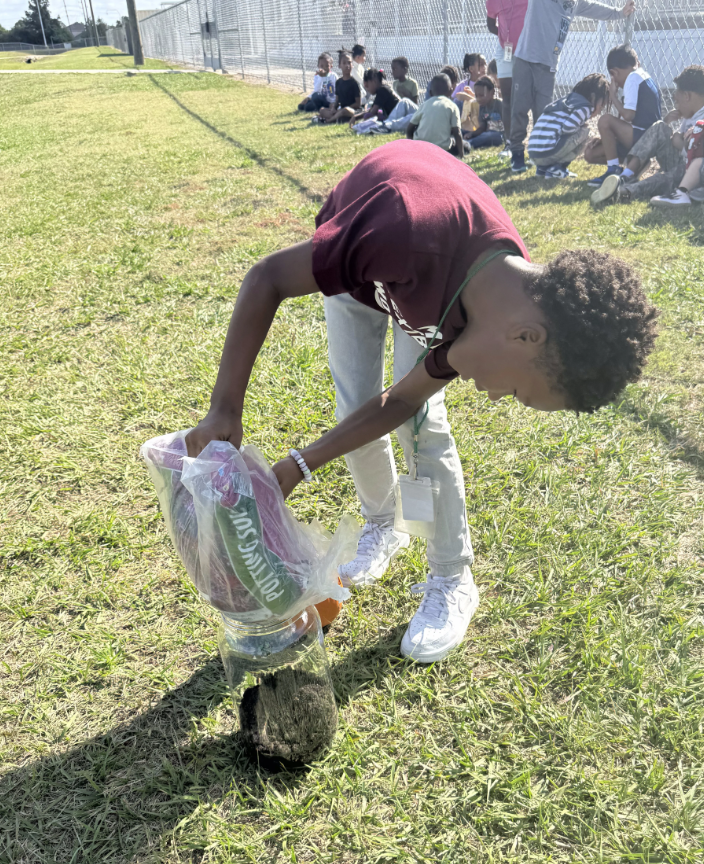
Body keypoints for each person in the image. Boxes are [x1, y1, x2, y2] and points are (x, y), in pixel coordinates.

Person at [185, 139, 658, 664]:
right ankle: (384, 523)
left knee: (423, 425)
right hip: (364, 263)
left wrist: (299, 464)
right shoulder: (408, 231)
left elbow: (402, 401)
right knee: (353, 401)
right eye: (519, 390)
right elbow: (267, 276)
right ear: (526, 338)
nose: (498, 395)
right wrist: (225, 405)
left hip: (420, 278)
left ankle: (453, 575)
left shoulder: (493, 313)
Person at [509, 0, 636, 174]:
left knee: (543, 111)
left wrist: (620, 12)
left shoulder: (575, 3)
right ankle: (516, 152)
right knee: (520, 107)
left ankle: (543, 160)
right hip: (525, 59)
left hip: (548, 65)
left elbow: (596, 9)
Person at [591, 65, 704, 207]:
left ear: (687, 96)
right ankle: (627, 175)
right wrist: (668, 124)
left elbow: (697, 155)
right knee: (660, 126)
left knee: (661, 179)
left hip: (690, 174)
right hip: (680, 163)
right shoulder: (690, 116)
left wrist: (679, 142)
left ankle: (622, 192)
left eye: (677, 101)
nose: (677, 105)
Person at [586, 44, 661, 187]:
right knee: (590, 153)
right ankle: (634, 166)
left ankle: (613, 170)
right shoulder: (642, 75)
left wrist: (613, 95)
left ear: (614, 73)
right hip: (640, 137)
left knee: (605, 120)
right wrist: (607, 139)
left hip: (644, 137)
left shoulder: (632, 78)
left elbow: (628, 116)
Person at [528, 73, 609, 178]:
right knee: (586, 131)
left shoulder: (566, 101)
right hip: (548, 153)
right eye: (601, 106)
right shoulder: (585, 107)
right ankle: (557, 168)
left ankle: (542, 169)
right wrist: (582, 125)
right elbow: (567, 128)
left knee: (574, 132)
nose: (600, 112)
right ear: (593, 98)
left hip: (534, 153)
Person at [486, 0, 529, 157]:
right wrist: (505, 36)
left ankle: (526, 141)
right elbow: (491, 25)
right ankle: (510, 143)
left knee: (526, 97)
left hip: (527, 49)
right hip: (506, 49)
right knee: (507, 97)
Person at [406, 74, 463, 157]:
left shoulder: (424, 105)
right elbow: (457, 132)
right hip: (442, 149)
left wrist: (412, 145)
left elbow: (410, 128)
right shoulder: (452, 106)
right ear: (451, 91)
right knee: (466, 145)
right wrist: (461, 154)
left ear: (430, 92)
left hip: (420, 147)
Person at [319, 50, 362, 124]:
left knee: (345, 110)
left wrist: (343, 109)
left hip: (351, 111)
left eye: (349, 63)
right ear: (339, 65)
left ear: (352, 65)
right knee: (322, 110)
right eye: (344, 63)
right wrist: (334, 108)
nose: (347, 65)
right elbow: (337, 100)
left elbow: (358, 104)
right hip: (341, 110)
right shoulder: (338, 82)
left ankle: (330, 120)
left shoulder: (354, 83)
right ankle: (337, 118)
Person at [464, 76, 505, 151]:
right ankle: (460, 141)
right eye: (476, 96)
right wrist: (472, 134)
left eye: (482, 95)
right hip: (486, 133)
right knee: (464, 132)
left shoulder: (500, 105)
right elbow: (482, 127)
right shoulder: (482, 107)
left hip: (499, 135)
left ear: (492, 92)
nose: (479, 99)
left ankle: (467, 145)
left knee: (488, 136)